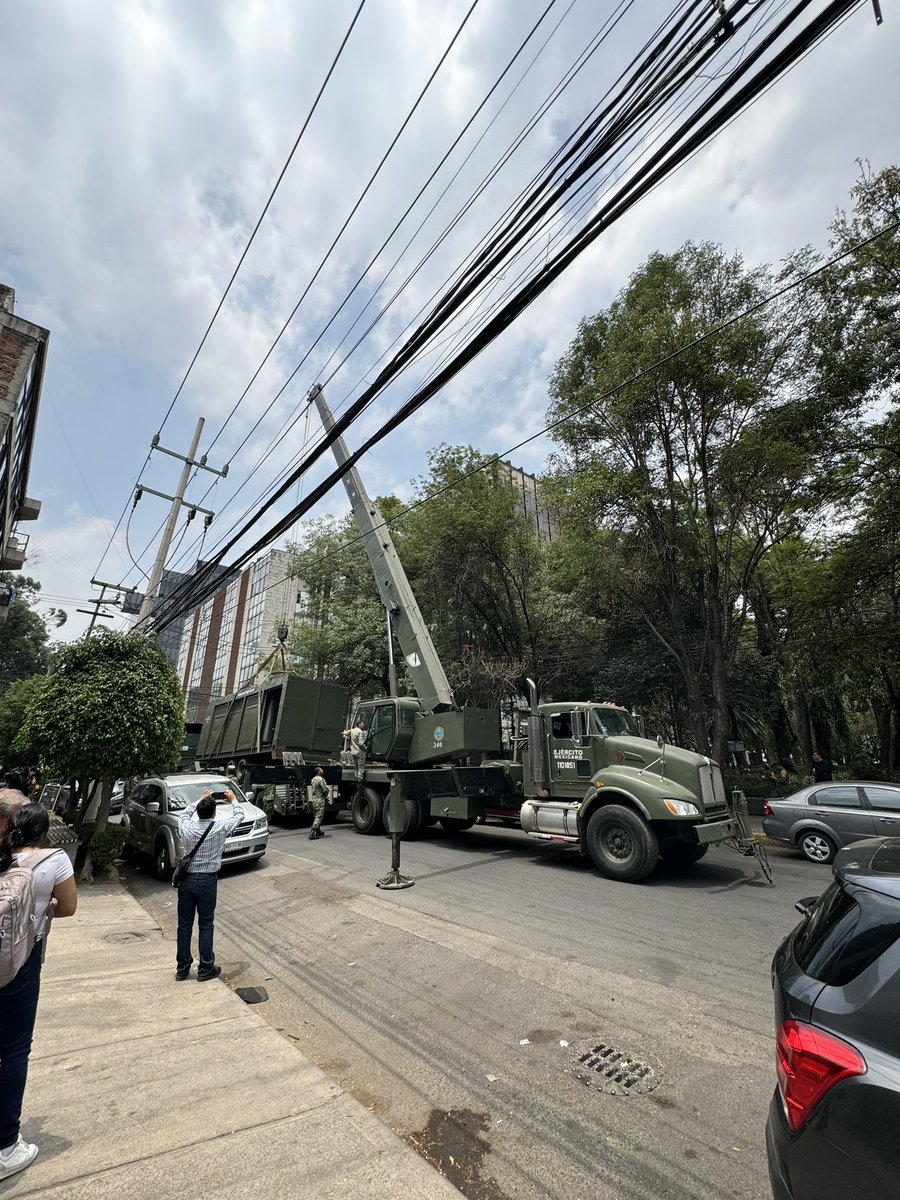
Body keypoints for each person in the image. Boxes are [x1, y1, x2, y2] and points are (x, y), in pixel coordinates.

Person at [0, 803, 77, 1180]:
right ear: (45, 831)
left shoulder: (4, 857)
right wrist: (40, 910)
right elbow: (69, 907)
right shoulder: (55, 860)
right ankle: (6, 1147)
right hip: (22, 959)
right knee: (14, 1048)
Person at [175, 787, 243, 982]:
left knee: (184, 924)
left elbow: (184, 814)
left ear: (198, 811)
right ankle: (205, 967)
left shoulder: (186, 827)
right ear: (213, 812)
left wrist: (200, 799)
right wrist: (233, 799)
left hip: (187, 880)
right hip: (207, 880)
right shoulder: (219, 828)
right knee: (206, 923)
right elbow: (238, 815)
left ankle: (182, 968)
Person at [308, 767, 329, 840]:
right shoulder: (320, 779)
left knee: (316, 815)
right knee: (319, 816)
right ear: (318, 772)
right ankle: (312, 832)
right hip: (320, 799)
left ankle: (318, 830)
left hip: (314, 799)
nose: (322, 770)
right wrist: (326, 793)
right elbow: (325, 789)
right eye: (321, 770)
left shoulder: (313, 779)